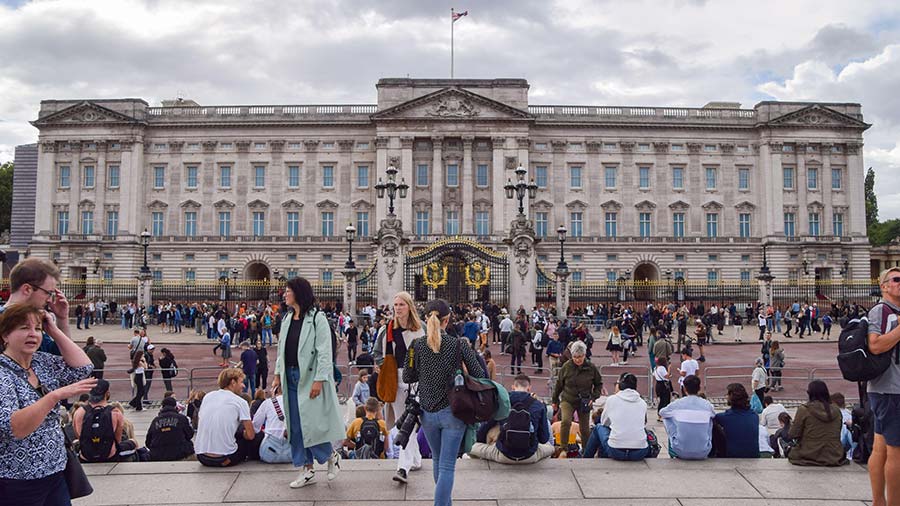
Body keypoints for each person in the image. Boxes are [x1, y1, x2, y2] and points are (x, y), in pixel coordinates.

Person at [0, 302, 96, 504]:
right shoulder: (3, 373)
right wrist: (53, 396)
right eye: (24, 328)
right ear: (5, 335)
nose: (33, 334)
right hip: (18, 479)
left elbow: (84, 368)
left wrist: (53, 328)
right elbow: (13, 427)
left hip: (55, 471)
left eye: (37, 328)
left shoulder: (41, 361)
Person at [403, 298, 485, 506]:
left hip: (427, 412)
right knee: (447, 465)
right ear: (447, 320)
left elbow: (407, 377)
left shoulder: (416, 345)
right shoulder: (458, 344)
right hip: (453, 410)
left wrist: (426, 373)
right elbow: (479, 373)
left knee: (438, 461)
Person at [272, 277, 344, 488]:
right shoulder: (286, 319)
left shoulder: (317, 318)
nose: (284, 294)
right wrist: (277, 375)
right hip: (290, 377)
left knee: (310, 425)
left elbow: (324, 352)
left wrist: (319, 380)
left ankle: (331, 455)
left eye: (288, 291)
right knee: (295, 426)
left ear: (298, 293)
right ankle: (307, 468)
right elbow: (281, 351)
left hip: (309, 378)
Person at [372, 291, 427, 484]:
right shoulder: (387, 329)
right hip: (395, 380)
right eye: (395, 305)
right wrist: (381, 364)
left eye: (401, 305)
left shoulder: (423, 329)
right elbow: (376, 352)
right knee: (404, 423)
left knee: (408, 423)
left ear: (409, 307)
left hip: (418, 381)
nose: (397, 308)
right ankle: (416, 460)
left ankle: (403, 467)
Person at [866, 267, 900, 506]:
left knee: (880, 449)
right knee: (896, 453)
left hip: (888, 389)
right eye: (896, 279)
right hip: (890, 389)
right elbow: (875, 345)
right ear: (884, 286)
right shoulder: (881, 310)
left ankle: (879, 502)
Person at [469, 374, 553, 464]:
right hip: (530, 456)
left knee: (471, 447)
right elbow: (544, 438)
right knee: (550, 447)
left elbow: (485, 427)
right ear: (529, 388)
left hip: (503, 454)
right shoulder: (539, 406)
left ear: (513, 387)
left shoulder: (502, 402)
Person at [194, 367, 259, 467]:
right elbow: (251, 435)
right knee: (257, 437)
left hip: (201, 456)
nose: (243, 386)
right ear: (233, 382)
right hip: (225, 458)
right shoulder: (240, 402)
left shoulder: (208, 396)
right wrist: (243, 434)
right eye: (241, 382)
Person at [551, 340, 604, 454]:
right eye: (575, 357)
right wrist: (554, 401)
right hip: (568, 399)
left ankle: (587, 450)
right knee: (565, 421)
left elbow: (598, 384)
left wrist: (593, 397)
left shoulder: (591, 367)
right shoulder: (566, 367)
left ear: (584, 355)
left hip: (584, 401)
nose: (578, 359)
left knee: (584, 428)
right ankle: (563, 448)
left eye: (580, 357)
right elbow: (559, 385)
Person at [584, 372, 649, 460]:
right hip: (640, 451)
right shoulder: (642, 402)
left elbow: (604, 422)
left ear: (620, 385)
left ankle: (587, 458)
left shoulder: (612, 400)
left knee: (598, 428)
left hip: (616, 450)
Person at [786, 380, 847, 466]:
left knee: (791, 450)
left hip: (808, 453)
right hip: (834, 454)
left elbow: (793, 434)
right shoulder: (836, 410)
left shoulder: (804, 409)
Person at [72, 379, 132, 463]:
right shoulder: (115, 412)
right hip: (109, 455)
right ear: (107, 393)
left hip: (86, 456)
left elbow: (79, 435)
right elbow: (117, 439)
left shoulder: (79, 412)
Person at [659, 374, 715, 460]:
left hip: (681, 450)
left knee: (667, 418)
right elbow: (713, 415)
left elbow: (662, 412)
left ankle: (673, 450)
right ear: (699, 388)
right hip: (704, 450)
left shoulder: (678, 403)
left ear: (684, 388)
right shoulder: (707, 405)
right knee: (710, 419)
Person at [715, 383, 761, 458]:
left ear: (730, 398)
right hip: (753, 456)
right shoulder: (754, 416)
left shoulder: (722, 417)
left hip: (731, 455)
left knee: (714, 426)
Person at [145, 396, 195, 461]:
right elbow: (190, 435)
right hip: (180, 454)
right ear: (175, 407)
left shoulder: (155, 421)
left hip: (158, 455)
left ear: (162, 407)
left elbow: (148, 442)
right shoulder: (181, 418)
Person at [252, 384, 291, 464]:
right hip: (292, 453)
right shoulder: (296, 402)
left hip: (269, 453)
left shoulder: (268, 403)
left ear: (276, 389)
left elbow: (255, 426)